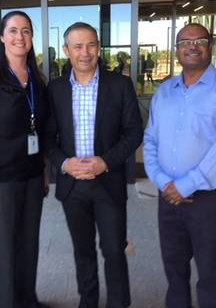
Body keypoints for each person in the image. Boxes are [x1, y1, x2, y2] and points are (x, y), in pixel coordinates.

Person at [143, 23, 216, 308]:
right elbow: (151, 139)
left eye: (200, 40)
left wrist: (186, 185)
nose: (192, 46)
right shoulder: (164, 92)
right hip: (168, 196)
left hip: (208, 198)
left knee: (211, 272)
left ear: (210, 46)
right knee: (174, 270)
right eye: (185, 42)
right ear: (177, 50)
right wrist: (160, 179)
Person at [46, 22, 143, 308]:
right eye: (77, 46)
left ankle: (118, 303)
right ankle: (87, 301)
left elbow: (133, 132)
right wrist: (64, 164)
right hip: (72, 184)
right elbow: (47, 138)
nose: (85, 52)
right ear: (67, 51)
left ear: (99, 48)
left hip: (108, 183)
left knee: (114, 249)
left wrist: (105, 162)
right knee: (82, 249)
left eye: (91, 45)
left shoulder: (120, 84)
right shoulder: (56, 89)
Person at [0, 10, 49, 308]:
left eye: (26, 31)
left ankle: (27, 300)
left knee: (29, 247)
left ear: (31, 38)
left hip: (31, 177)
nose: (20, 36)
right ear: (2, 36)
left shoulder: (37, 80)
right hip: (1, 181)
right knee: (4, 251)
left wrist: (42, 172)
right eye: (13, 30)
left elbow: (38, 131)